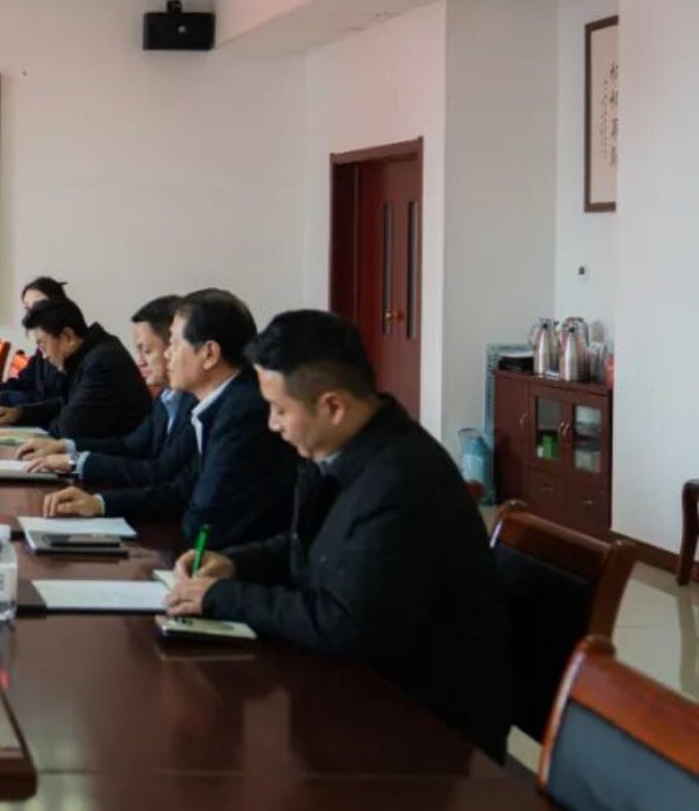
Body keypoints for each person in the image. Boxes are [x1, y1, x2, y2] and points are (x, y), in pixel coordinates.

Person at [165, 310, 512, 761]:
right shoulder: (341, 451)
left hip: (422, 734)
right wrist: (234, 563)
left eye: (280, 410)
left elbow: (345, 623)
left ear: (333, 406)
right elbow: (306, 547)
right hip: (360, 691)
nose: (272, 424)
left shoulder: (402, 481)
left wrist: (221, 597)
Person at [41, 289, 296, 550]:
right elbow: (180, 490)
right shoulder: (218, 404)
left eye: (173, 344)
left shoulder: (241, 411)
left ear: (209, 354)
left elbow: (202, 519)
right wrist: (100, 503)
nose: (167, 354)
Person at [18, 294, 196, 482]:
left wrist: (74, 461)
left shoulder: (103, 360)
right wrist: (66, 447)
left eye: (147, 351)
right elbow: (129, 445)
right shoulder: (168, 396)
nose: (140, 361)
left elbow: (160, 473)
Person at [0, 296, 152, 442]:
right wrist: (21, 413)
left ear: (67, 336)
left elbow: (69, 429)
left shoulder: (102, 361)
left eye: (43, 345)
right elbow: (68, 404)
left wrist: (47, 427)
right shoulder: (86, 354)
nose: (43, 356)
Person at [0, 276, 70, 407]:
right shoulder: (42, 349)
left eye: (38, 305)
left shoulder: (66, 348)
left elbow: (49, 402)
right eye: (28, 308)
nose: (33, 313)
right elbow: (25, 383)